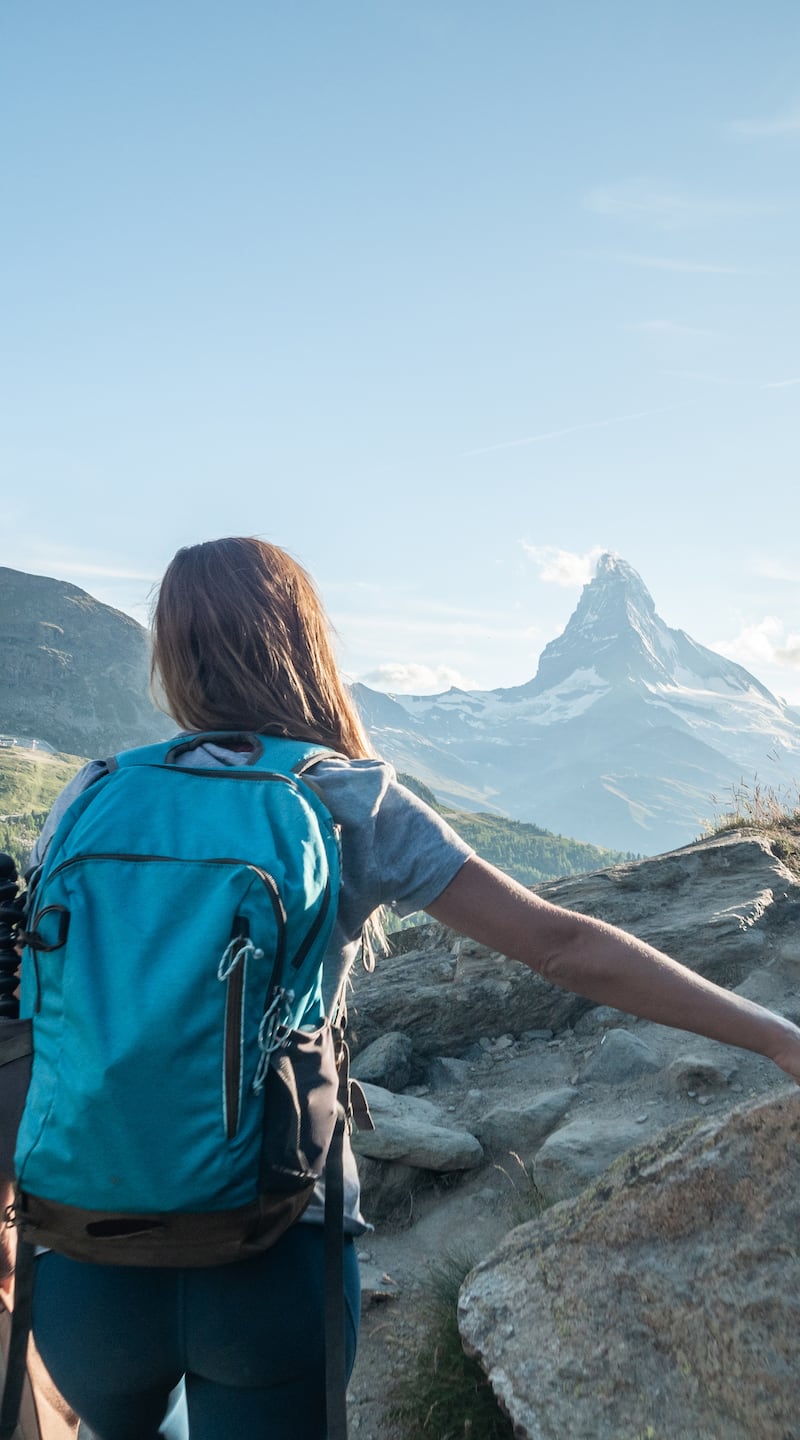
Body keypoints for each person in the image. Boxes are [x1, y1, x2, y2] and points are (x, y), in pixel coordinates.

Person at [22, 536, 800, 1440]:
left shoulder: (89, 796)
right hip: (274, 1247)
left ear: (170, 650)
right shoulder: (347, 798)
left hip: (84, 1255)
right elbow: (563, 947)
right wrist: (777, 1036)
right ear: (304, 642)